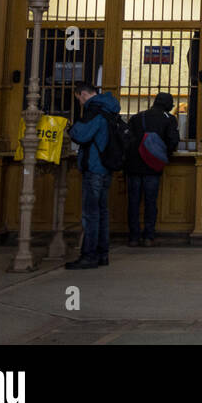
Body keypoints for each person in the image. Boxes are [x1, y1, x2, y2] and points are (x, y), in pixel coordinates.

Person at [66, 81, 121, 270]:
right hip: (106, 168)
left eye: (78, 99)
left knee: (91, 214)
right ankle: (102, 254)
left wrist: (69, 128)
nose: (80, 103)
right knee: (102, 212)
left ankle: (89, 255)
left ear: (82, 94)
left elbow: (81, 135)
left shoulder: (95, 111)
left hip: (95, 167)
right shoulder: (109, 109)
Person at [125, 91, 180, 247]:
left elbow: (127, 140)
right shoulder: (169, 119)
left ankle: (133, 237)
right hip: (152, 166)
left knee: (133, 202)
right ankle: (149, 236)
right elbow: (172, 141)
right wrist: (165, 153)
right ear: (168, 105)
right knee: (150, 202)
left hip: (133, 166)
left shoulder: (137, 117)